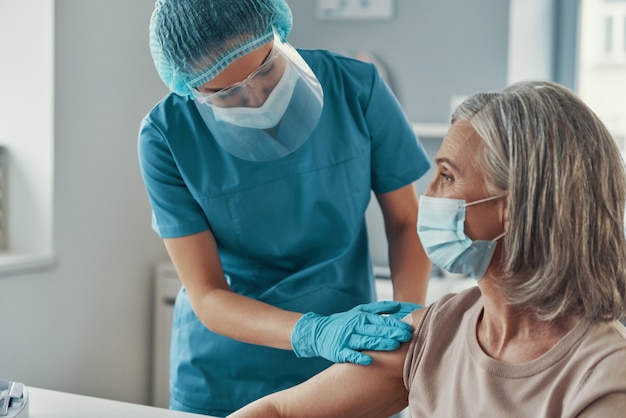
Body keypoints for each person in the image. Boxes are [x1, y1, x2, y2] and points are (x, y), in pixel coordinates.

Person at [229, 80, 626, 418]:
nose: (429, 194)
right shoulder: (440, 329)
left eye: (447, 176)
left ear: (516, 206)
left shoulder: (605, 375)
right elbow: (278, 413)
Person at [138, 0, 432, 415]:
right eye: (226, 94)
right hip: (225, 370)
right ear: (190, 88)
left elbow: (405, 220)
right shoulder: (166, 135)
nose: (257, 99)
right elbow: (207, 293)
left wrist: (409, 325)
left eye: (267, 72)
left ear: (276, 33)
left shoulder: (355, 87)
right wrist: (312, 331)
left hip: (348, 361)